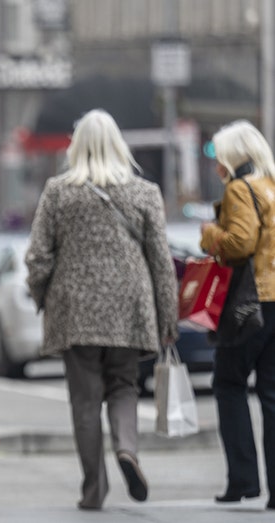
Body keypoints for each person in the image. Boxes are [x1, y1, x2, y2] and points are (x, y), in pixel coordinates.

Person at [24, 108, 178, 511]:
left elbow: (38, 257)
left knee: (85, 400)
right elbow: (161, 261)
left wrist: (42, 297)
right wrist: (168, 317)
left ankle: (93, 489)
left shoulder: (58, 191)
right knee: (125, 387)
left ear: (76, 147)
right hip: (130, 305)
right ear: (118, 145)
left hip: (75, 310)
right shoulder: (145, 192)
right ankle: (127, 448)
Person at [199, 119, 275, 510]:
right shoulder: (272, 185)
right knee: (272, 394)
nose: (217, 167)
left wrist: (210, 234)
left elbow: (240, 242)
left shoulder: (240, 189)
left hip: (251, 303)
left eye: (220, 158)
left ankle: (243, 480)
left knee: (228, 383)